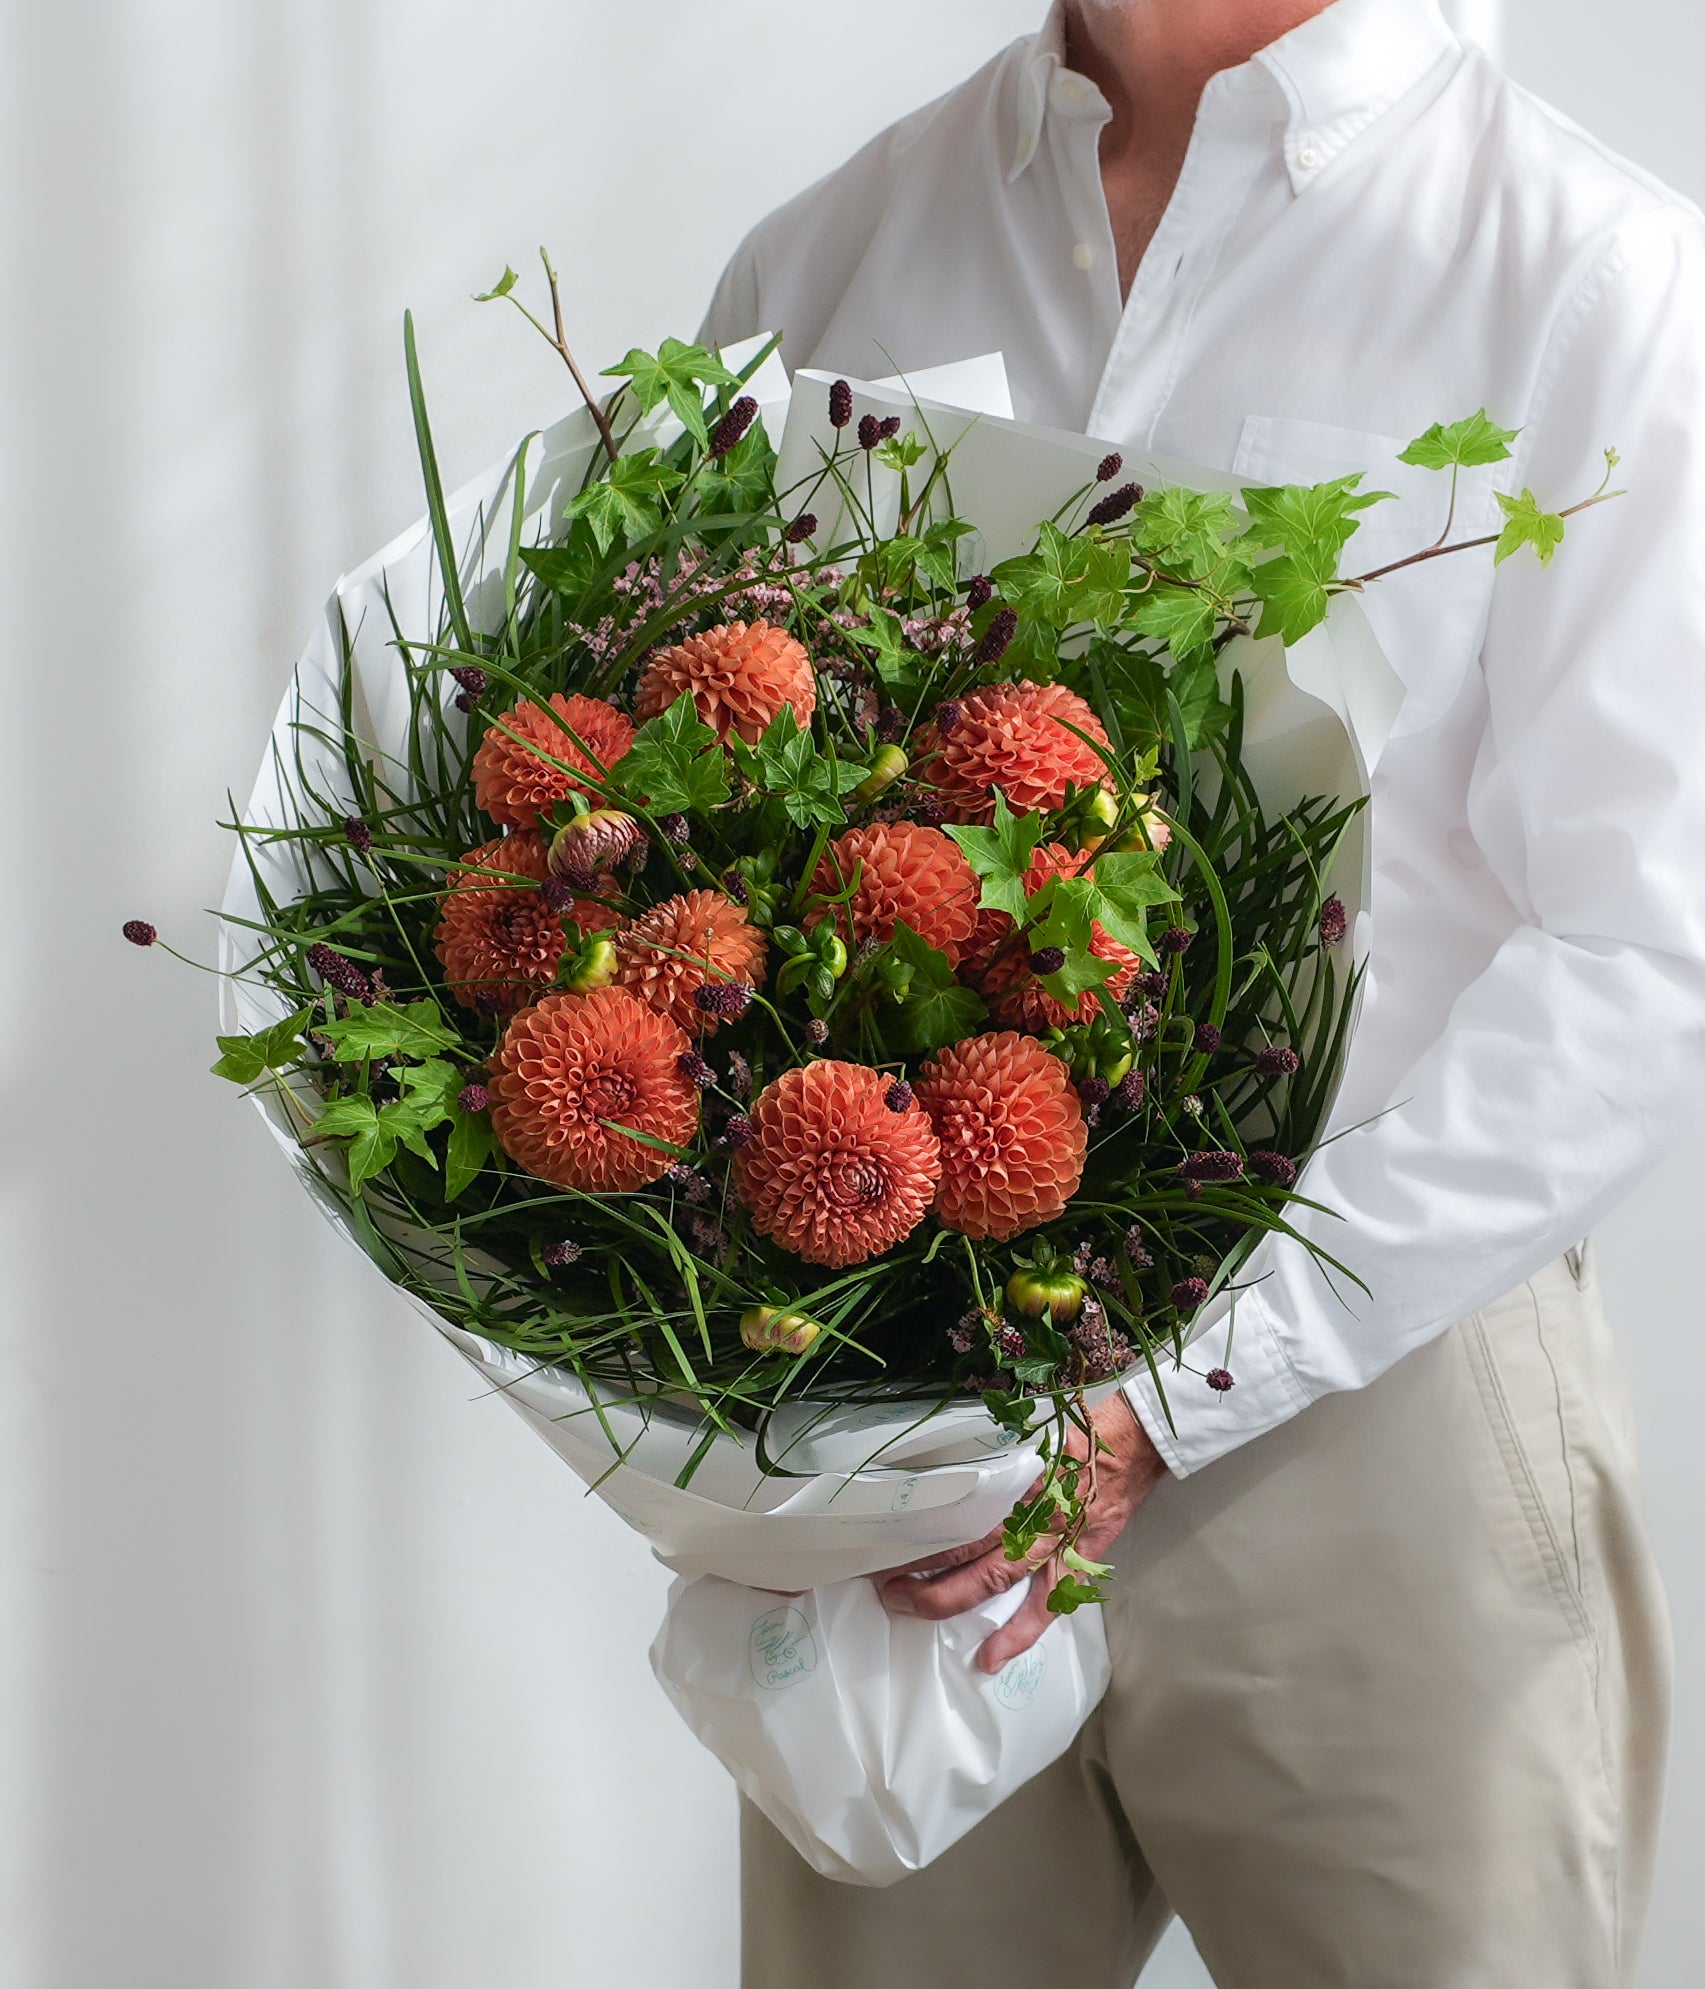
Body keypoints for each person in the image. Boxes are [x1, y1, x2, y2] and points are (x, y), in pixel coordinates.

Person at [699, 2, 1705, 1982]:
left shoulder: (1584, 269)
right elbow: (726, 827)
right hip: (910, 1403)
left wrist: (1182, 1390)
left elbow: (1643, 937)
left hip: (1375, 1406)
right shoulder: (831, 257)